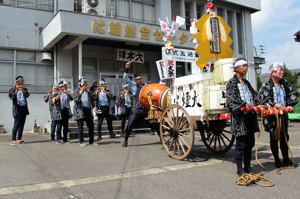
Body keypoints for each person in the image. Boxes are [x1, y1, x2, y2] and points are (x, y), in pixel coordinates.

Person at [256, 63, 298, 168]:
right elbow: (262, 99)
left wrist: (289, 105)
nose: (282, 72)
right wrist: (275, 105)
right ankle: (276, 160)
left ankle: (286, 159)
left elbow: (291, 96)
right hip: (272, 116)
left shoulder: (285, 84)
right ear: (273, 72)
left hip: (283, 115)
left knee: (284, 137)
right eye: (280, 70)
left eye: (282, 70)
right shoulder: (267, 85)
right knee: (274, 137)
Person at [226, 58, 259, 176]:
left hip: (250, 117)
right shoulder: (231, 83)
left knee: (250, 143)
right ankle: (239, 169)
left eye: (246, 66)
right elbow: (230, 100)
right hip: (240, 118)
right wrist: (244, 105)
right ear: (236, 68)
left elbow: (256, 96)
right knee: (241, 144)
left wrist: (260, 105)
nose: (246, 68)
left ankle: (248, 166)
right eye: (243, 66)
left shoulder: (247, 83)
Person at [122, 62, 149, 147]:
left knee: (155, 123)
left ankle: (161, 138)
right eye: (137, 79)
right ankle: (125, 140)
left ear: (142, 79)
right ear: (135, 80)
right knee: (130, 124)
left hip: (146, 108)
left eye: (140, 79)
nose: (138, 80)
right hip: (137, 109)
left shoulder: (146, 86)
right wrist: (127, 68)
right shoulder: (133, 86)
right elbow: (125, 78)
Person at [73, 77, 97, 146]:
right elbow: (76, 99)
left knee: (91, 126)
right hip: (80, 110)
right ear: (81, 85)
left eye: (86, 84)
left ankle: (91, 141)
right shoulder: (76, 91)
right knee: (80, 126)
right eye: (85, 84)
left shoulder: (88, 92)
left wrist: (93, 94)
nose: (86, 85)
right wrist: (81, 92)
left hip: (88, 110)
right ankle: (81, 141)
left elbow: (94, 98)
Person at [8, 75, 30, 145]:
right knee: (16, 124)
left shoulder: (24, 89)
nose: (23, 82)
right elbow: (12, 97)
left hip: (23, 109)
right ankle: (13, 139)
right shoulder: (12, 89)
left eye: (23, 81)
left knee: (21, 125)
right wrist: (17, 90)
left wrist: (22, 89)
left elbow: (27, 95)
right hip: (17, 109)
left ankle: (19, 138)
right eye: (21, 81)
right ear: (17, 81)